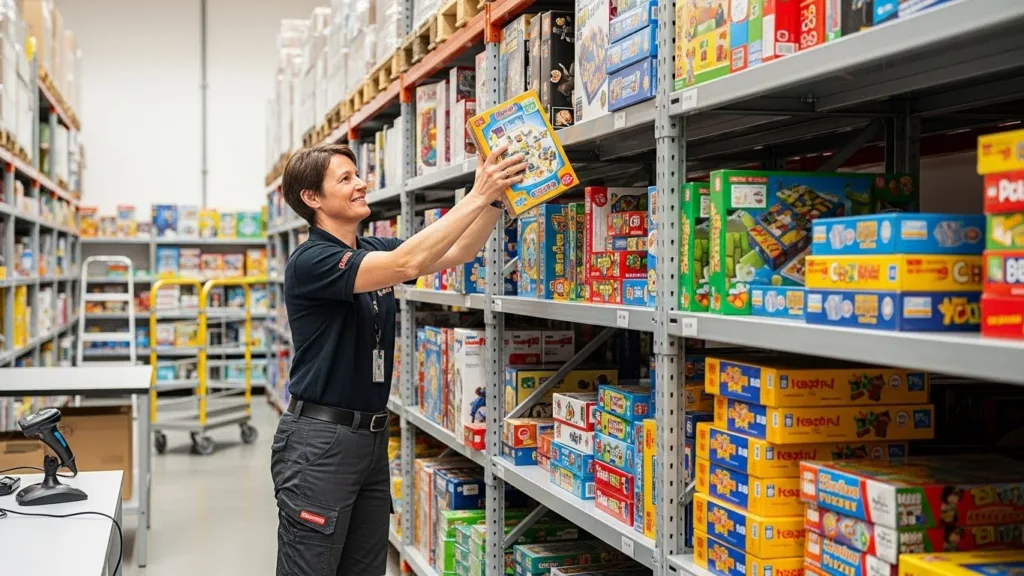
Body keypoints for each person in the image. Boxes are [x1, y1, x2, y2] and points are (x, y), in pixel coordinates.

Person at [270, 142, 527, 576]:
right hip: (320, 441)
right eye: (345, 179)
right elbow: (408, 261)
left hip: (369, 440)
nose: (361, 183)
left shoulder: (371, 246)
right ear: (312, 199)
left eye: (358, 174)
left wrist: (496, 198)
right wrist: (477, 194)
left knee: (365, 568)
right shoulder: (310, 261)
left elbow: (458, 252)